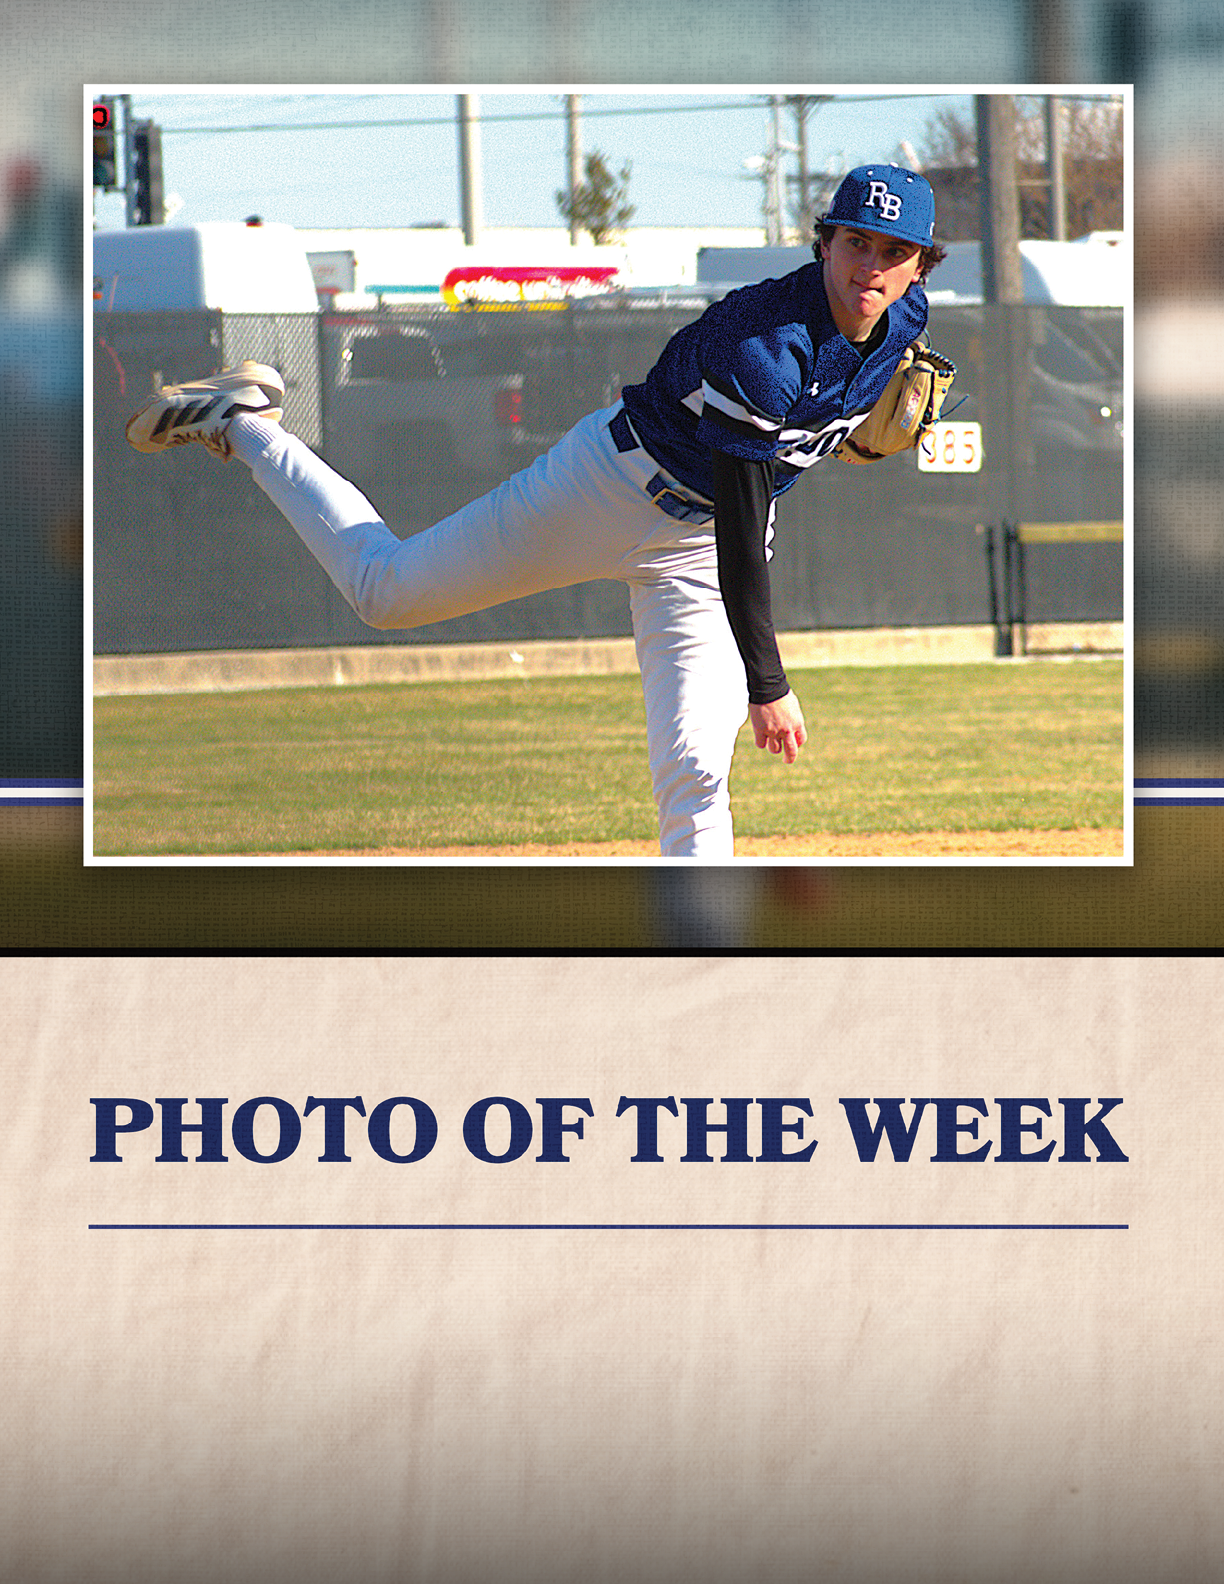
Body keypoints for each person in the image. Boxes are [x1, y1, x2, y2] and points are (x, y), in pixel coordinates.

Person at [125, 164, 946, 859]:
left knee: (697, 767)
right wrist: (768, 682)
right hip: (610, 489)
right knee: (385, 591)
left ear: (919, 266)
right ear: (825, 244)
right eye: (854, 242)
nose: (870, 265)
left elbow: (806, 448)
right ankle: (244, 423)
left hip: (695, 550)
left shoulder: (905, 317)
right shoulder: (764, 346)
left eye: (893, 251)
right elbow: (742, 519)